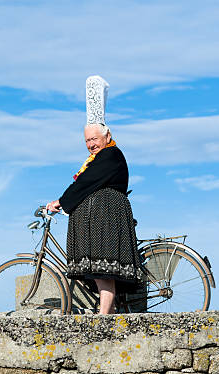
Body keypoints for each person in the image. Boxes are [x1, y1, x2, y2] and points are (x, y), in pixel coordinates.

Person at [46, 76, 143, 315]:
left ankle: (104, 314)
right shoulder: (101, 157)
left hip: (107, 217)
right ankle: (105, 310)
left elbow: (87, 182)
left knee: (104, 267)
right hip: (101, 217)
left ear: (107, 136)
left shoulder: (110, 155)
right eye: (87, 140)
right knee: (100, 268)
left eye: (94, 139)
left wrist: (61, 201)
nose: (90, 144)